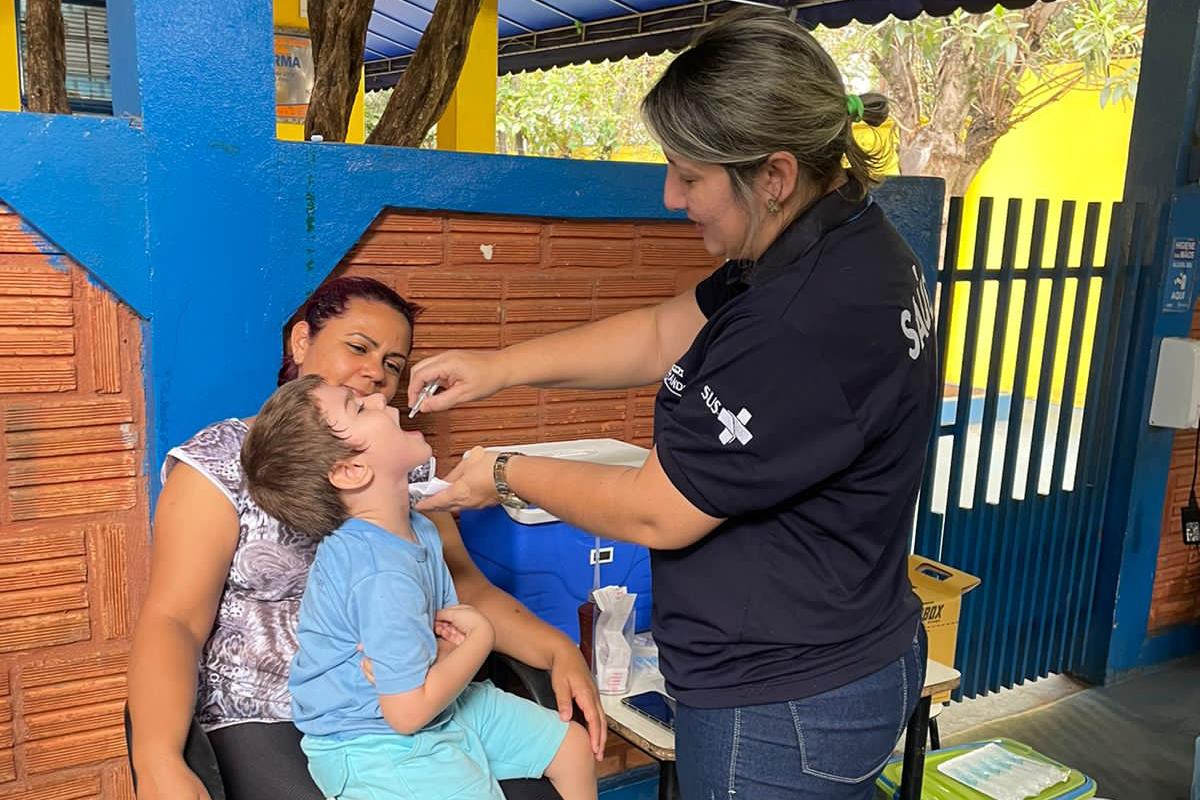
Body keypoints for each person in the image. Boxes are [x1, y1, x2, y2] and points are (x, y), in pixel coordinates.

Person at [407, 10, 937, 800]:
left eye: (690, 178)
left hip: (783, 700)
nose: (669, 195)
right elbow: (662, 332)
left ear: (775, 174)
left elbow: (659, 511)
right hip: (847, 653)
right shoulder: (831, 236)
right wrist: (498, 367)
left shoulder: (801, 319)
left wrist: (506, 472)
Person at [127, 276, 604, 800]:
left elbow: (464, 587)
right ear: (302, 341)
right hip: (267, 713)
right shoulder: (223, 462)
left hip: (410, 688)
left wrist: (558, 649)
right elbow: (173, 620)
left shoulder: (401, 479)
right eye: (359, 347)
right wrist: (158, 755)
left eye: (393, 364)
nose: (375, 374)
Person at [239, 375, 597, 800]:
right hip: (378, 743)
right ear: (352, 470)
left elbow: (444, 631)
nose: (378, 396)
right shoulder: (379, 574)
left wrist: (441, 649)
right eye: (358, 407)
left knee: (572, 748)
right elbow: (407, 712)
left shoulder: (419, 527)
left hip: (441, 700)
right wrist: (479, 637)